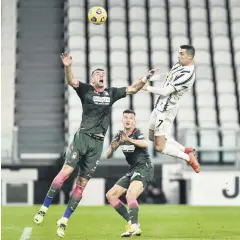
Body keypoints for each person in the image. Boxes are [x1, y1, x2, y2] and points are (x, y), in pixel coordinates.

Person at [33, 51, 159, 238]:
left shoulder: (111, 93)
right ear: (92, 79)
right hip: (83, 137)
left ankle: (64, 220)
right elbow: (71, 81)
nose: (102, 75)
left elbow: (132, 89)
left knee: (82, 183)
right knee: (66, 172)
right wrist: (68, 67)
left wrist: (146, 78)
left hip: (97, 143)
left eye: (103, 74)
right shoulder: (86, 90)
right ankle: (43, 209)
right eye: (98, 74)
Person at [142, 45, 200, 173]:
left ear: (190, 57)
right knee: (152, 137)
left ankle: (187, 158)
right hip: (159, 106)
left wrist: (147, 88)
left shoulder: (188, 75)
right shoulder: (179, 64)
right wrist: (151, 77)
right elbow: (168, 76)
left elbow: (165, 91)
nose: (179, 56)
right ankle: (186, 150)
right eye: (179, 53)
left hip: (166, 111)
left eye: (182, 54)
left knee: (159, 147)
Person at [105, 109, 154, 237]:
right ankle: (132, 223)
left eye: (130, 118)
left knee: (130, 195)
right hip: (132, 170)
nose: (128, 120)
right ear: (122, 120)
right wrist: (113, 148)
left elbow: (145, 144)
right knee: (111, 195)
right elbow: (107, 155)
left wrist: (130, 140)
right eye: (125, 117)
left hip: (144, 168)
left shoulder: (137, 132)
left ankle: (134, 226)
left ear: (134, 121)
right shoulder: (119, 135)